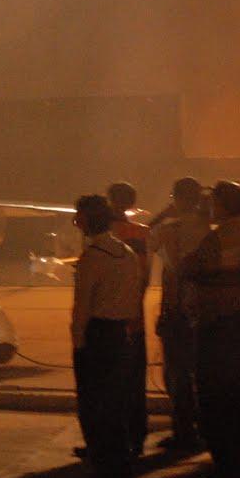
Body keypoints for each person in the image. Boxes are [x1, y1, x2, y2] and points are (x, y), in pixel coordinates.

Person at [181, 180, 240, 478]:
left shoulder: (218, 239)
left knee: (214, 395)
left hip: (216, 324)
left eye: (214, 202)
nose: (209, 207)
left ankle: (227, 464)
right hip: (239, 322)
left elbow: (191, 268)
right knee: (234, 393)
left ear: (224, 205)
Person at [71, 194, 143, 478]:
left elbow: (82, 306)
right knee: (115, 403)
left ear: (86, 221)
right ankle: (120, 467)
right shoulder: (126, 253)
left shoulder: (93, 257)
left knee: (94, 406)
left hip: (97, 335)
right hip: (120, 334)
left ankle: (104, 472)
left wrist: (78, 342)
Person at [148, 177, 210, 450]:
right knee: (203, 371)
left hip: (177, 308)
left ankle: (184, 431)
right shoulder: (210, 229)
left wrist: (163, 214)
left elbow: (145, 239)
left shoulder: (169, 229)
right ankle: (206, 428)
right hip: (206, 307)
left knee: (178, 372)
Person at [108, 182, 151, 456]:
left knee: (114, 381)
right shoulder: (140, 233)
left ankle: (117, 440)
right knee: (134, 380)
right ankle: (135, 437)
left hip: (113, 318)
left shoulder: (111, 237)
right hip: (133, 315)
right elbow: (144, 277)